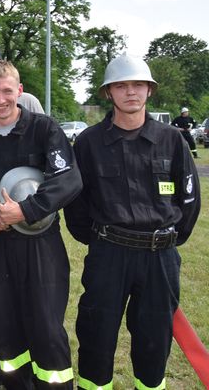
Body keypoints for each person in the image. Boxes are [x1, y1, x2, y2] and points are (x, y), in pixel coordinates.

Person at [64, 55, 201, 390]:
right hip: (108, 253)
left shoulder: (172, 140)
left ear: (149, 90)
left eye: (137, 84)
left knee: (154, 338)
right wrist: (101, 238)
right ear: (108, 93)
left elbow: (189, 200)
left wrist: (165, 239)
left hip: (160, 258)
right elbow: (76, 204)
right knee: (96, 333)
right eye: (121, 86)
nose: (130, 92)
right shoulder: (88, 143)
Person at [0, 61, 81, 390]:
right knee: (3, 328)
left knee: (45, 326)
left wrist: (28, 209)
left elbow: (68, 180)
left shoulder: (44, 130)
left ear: (19, 91)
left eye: (7, 91)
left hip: (40, 245)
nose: (0, 99)